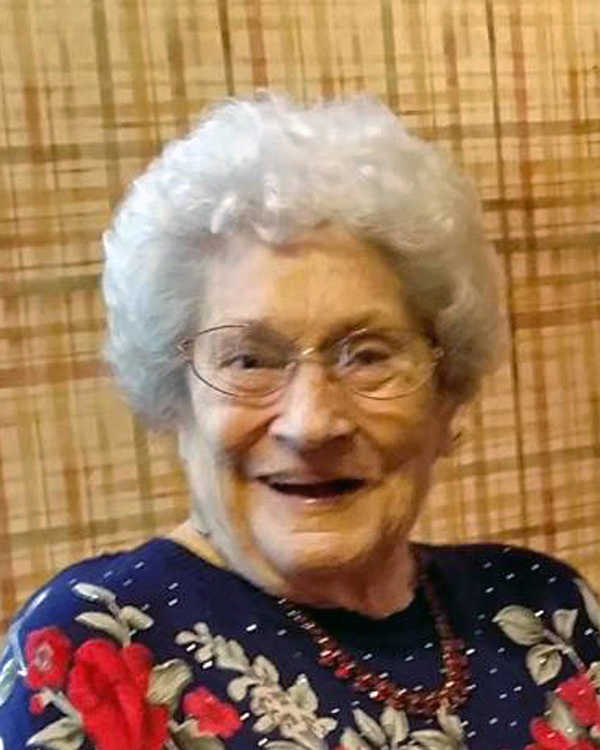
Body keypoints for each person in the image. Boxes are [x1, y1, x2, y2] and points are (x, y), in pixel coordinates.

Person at [0, 93, 598, 750]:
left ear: (445, 391)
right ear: (177, 394)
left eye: (368, 356)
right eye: (250, 360)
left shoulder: (544, 611)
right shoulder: (96, 647)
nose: (312, 423)